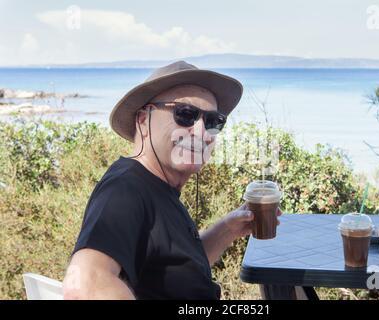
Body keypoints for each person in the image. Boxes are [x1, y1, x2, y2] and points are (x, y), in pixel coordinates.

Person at [62, 61, 282, 299]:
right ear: (143, 121)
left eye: (212, 122)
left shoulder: (156, 187)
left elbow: (178, 271)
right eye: (185, 114)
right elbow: (84, 286)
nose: (201, 132)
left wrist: (227, 229)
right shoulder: (126, 188)